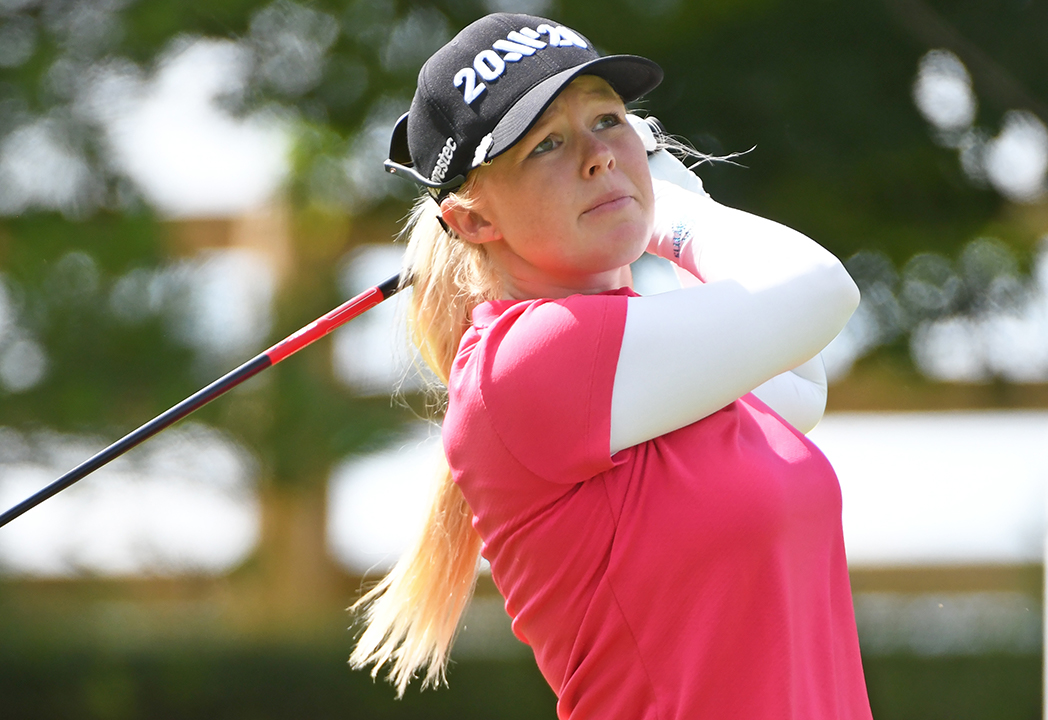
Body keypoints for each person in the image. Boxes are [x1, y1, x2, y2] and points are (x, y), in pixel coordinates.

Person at [349, 12, 871, 720]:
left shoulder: (641, 370)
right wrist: (666, 209)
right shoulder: (527, 361)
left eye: (608, 120)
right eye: (547, 145)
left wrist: (651, 187)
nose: (597, 156)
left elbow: (798, 383)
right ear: (474, 222)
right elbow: (819, 290)